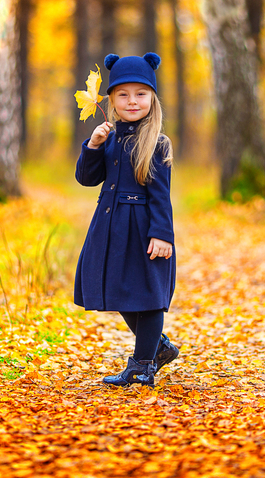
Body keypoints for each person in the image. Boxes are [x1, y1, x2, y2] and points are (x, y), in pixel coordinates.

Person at [74, 52, 178, 387]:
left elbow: (161, 195)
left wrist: (162, 234)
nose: (132, 101)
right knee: (113, 286)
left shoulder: (157, 144)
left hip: (144, 228)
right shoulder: (109, 137)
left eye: (141, 94)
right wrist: (92, 145)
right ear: (112, 99)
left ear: (152, 98)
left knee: (146, 294)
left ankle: (143, 365)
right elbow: (87, 179)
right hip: (110, 226)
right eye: (123, 94)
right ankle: (157, 348)